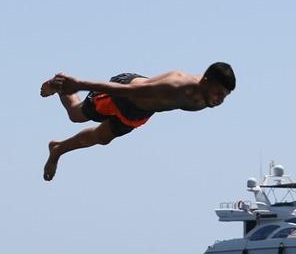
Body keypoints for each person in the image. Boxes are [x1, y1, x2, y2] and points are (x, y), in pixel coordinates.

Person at [39, 62, 236, 181]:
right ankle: (60, 83)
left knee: (102, 138)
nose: (220, 100)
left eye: (224, 96)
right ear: (205, 81)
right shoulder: (175, 86)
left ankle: (58, 149)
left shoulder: (206, 98)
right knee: (76, 114)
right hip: (123, 95)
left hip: (140, 112)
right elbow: (129, 91)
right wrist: (78, 84)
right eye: (218, 93)